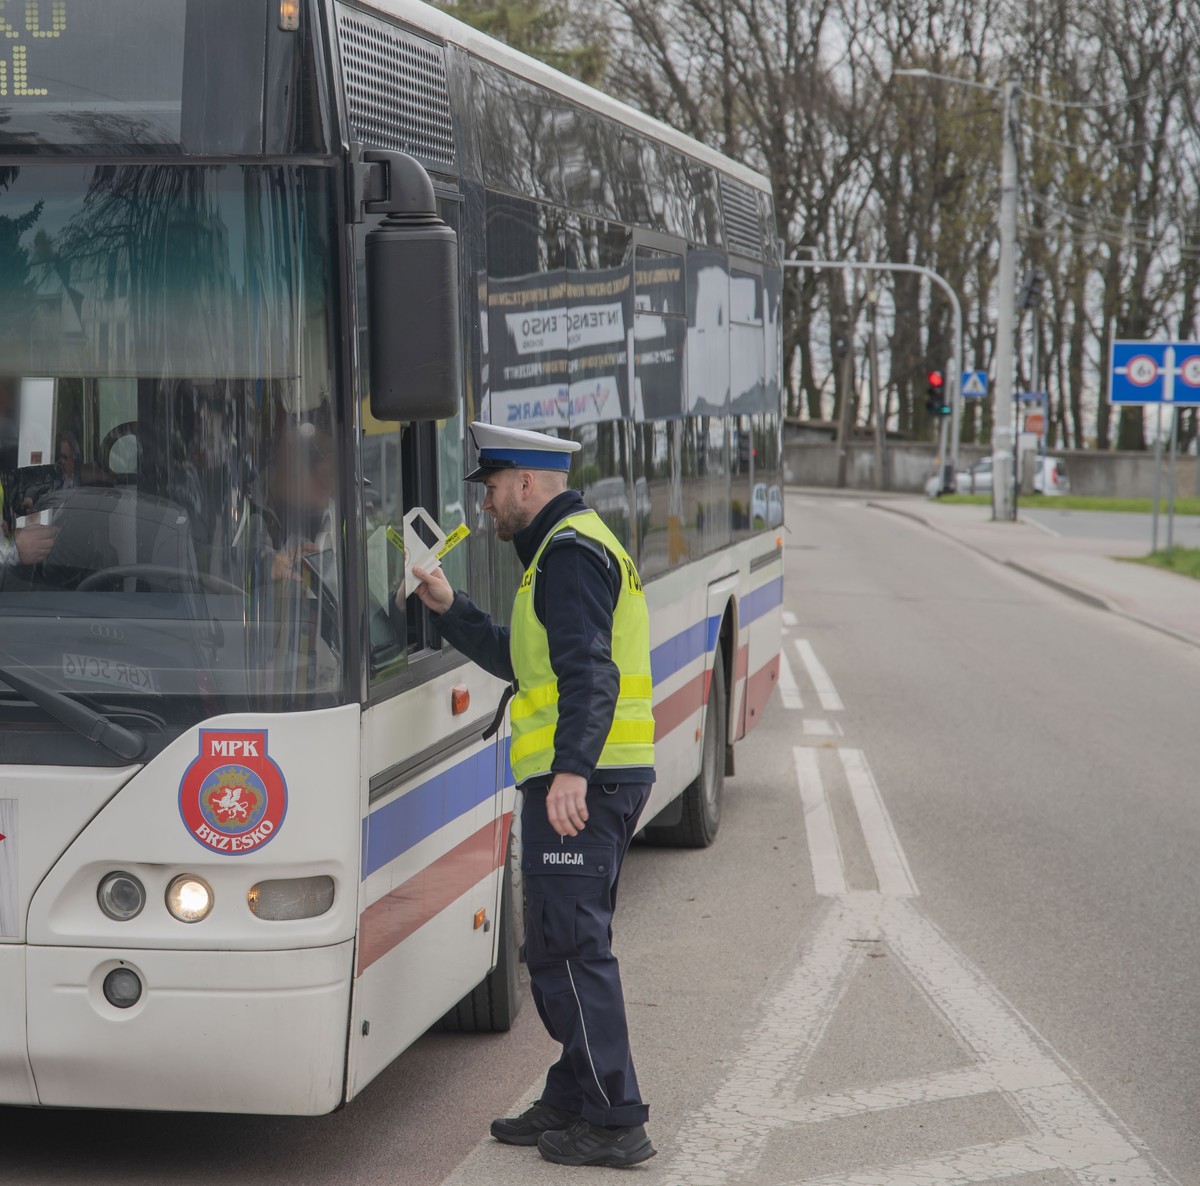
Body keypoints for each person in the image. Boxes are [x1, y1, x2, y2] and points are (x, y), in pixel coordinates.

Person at [409, 422, 657, 1169]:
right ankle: (575, 1092)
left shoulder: (571, 555)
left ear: (526, 482)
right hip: (586, 771)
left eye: (489, 489)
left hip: (584, 777)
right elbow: (524, 660)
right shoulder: (559, 550)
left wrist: (573, 771)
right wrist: (448, 604)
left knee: (571, 947)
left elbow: (592, 673)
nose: (485, 507)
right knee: (555, 941)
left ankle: (615, 1119)